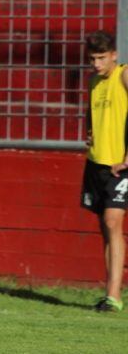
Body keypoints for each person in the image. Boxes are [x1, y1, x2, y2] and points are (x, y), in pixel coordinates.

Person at [81, 30, 127, 312]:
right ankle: (111, 291)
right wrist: (90, 132)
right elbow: (91, 113)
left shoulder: (123, 76)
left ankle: (114, 296)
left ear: (114, 56)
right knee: (104, 228)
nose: (97, 64)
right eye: (92, 59)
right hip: (96, 162)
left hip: (120, 166)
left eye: (101, 58)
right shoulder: (93, 81)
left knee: (113, 222)